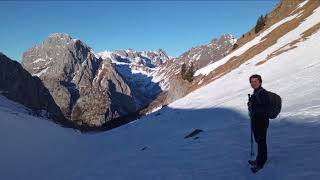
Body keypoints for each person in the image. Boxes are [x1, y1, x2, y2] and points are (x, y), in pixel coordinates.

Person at [248, 74, 270, 173]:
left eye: (255, 81)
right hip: (256, 121)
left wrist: (254, 107)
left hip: (262, 121)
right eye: (252, 82)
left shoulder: (263, 93)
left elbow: (265, 107)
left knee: (261, 142)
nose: (253, 83)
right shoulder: (255, 93)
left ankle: (261, 162)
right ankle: (258, 159)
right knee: (259, 141)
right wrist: (250, 105)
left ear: (260, 82)